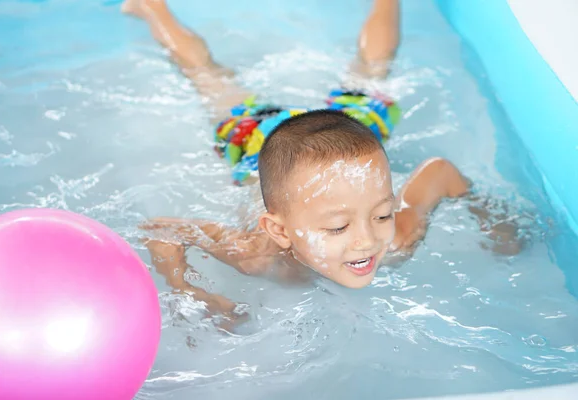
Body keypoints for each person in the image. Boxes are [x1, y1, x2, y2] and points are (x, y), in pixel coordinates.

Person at [124, 0, 519, 327]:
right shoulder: (254, 254)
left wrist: (491, 217)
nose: (367, 240)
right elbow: (161, 232)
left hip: (342, 141)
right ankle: (151, 6)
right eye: (338, 227)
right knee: (206, 76)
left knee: (374, 67)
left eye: (382, 215)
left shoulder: (398, 239)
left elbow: (440, 172)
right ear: (279, 230)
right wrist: (191, 292)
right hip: (257, 142)